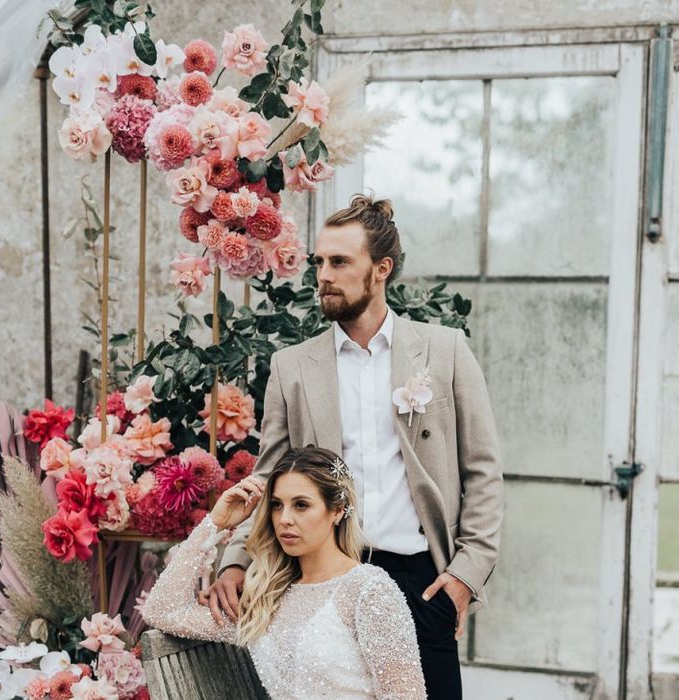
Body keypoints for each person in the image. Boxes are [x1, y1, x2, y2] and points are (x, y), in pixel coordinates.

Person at [209, 194, 504, 699]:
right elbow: (269, 477)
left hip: (421, 581)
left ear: (381, 269)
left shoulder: (444, 350)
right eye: (319, 261)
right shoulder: (293, 367)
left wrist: (464, 575)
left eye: (340, 261)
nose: (323, 274)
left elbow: (482, 470)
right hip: (326, 578)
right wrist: (235, 559)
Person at [142, 446, 426, 699]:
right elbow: (162, 610)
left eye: (301, 505)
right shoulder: (266, 596)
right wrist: (215, 523)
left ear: (337, 511)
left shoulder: (370, 591)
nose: (285, 519)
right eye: (277, 505)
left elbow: (405, 695)